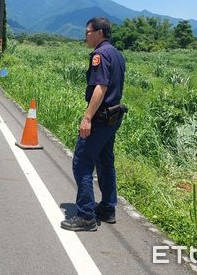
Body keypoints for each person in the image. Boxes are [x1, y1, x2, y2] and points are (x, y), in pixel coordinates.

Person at [61, 17, 126, 232]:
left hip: (99, 119)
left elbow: (101, 87)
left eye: (88, 31)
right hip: (113, 118)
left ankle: (86, 215)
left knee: (82, 162)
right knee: (105, 163)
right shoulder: (118, 54)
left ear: (99, 32)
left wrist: (87, 117)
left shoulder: (99, 55)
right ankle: (107, 208)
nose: (85, 35)